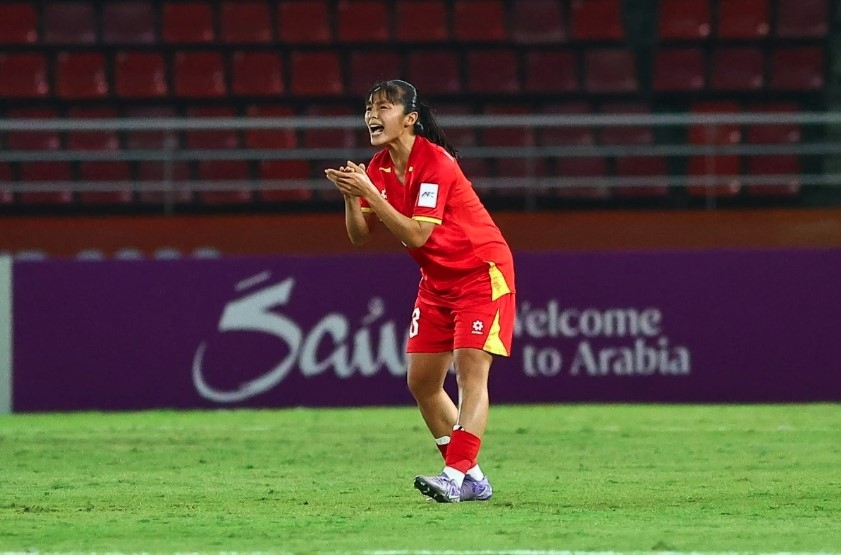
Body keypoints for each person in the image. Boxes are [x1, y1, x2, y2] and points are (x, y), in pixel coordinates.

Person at [324, 79, 516, 503]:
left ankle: (452, 475)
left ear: (410, 118)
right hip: (436, 282)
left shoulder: (436, 163)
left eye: (384, 107)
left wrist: (370, 193)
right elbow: (360, 236)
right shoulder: (378, 168)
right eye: (369, 108)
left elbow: (416, 235)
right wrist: (352, 198)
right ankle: (473, 478)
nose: (372, 115)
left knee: (470, 373)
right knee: (422, 382)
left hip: (480, 273)